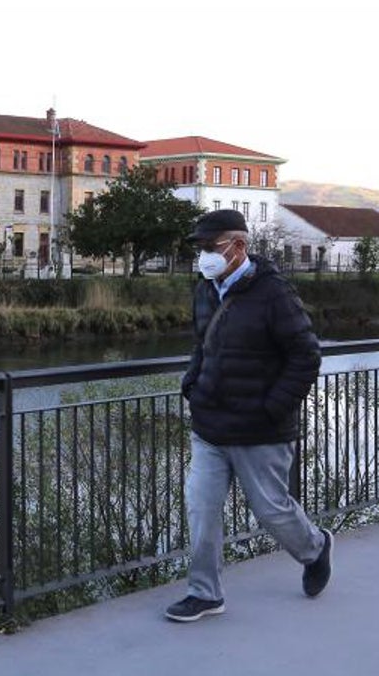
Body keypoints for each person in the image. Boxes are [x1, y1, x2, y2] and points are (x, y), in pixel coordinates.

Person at [165, 208, 332, 622]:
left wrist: (273, 407)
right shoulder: (205, 289)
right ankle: (205, 593)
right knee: (201, 508)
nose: (203, 256)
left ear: (238, 246)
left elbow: (306, 355)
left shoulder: (275, 293)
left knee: (272, 510)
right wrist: (192, 382)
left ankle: (315, 548)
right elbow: (201, 345)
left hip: (260, 429)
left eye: (210, 247)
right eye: (200, 248)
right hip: (209, 425)